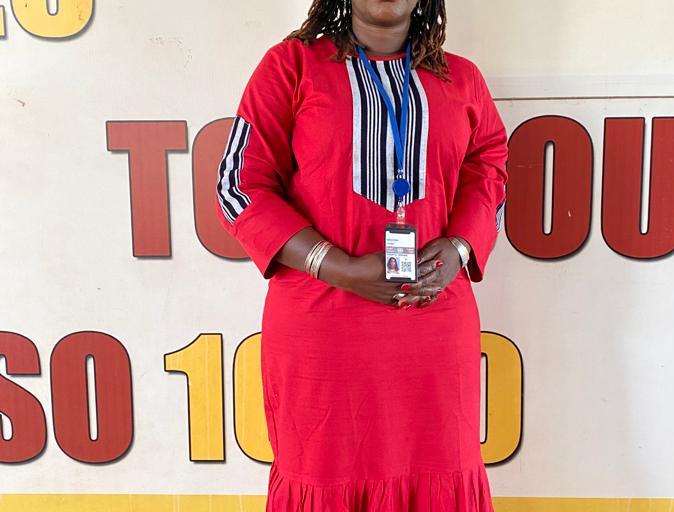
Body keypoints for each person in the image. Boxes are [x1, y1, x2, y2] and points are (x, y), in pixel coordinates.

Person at [215, 0, 508, 509]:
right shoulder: (292, 66)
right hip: (323, 332)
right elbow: (238, 185)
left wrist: (460, 248)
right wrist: (340, 267)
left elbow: (491, 168)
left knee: (439, 470)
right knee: (324, 471)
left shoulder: (462, 79)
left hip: (432, 323)